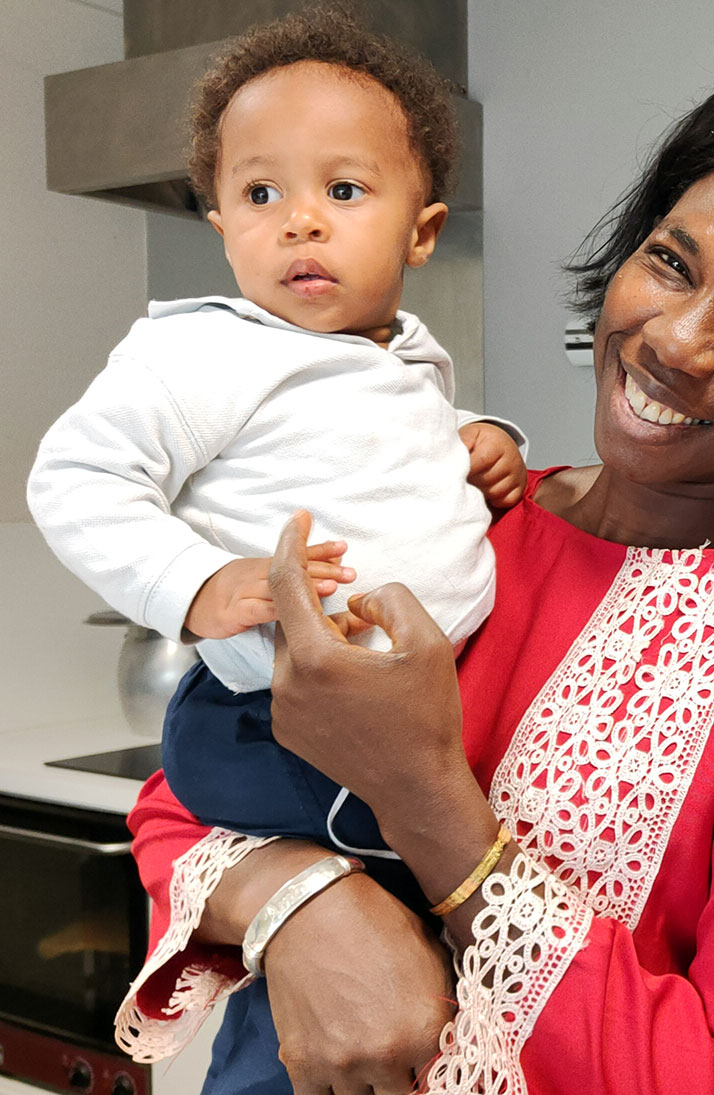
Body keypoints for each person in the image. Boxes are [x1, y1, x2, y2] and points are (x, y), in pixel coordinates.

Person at [112, 62, 714, 1095]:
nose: (675, 341)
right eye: (669, 262)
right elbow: (187, 792)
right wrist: (306, 905)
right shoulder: (468, 512)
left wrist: (433, 811)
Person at [27, 9, 528, 870]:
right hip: (273, 724)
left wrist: (479, 437)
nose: (300, 220)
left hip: (402, 713)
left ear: (422, 230)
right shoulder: (202, 351)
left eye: (342, 190)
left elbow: (378, 435)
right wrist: (198, 583)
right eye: (262, 195)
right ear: (222, 230)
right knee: (387, 917)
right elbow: (75, 477)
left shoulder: (402, 352)